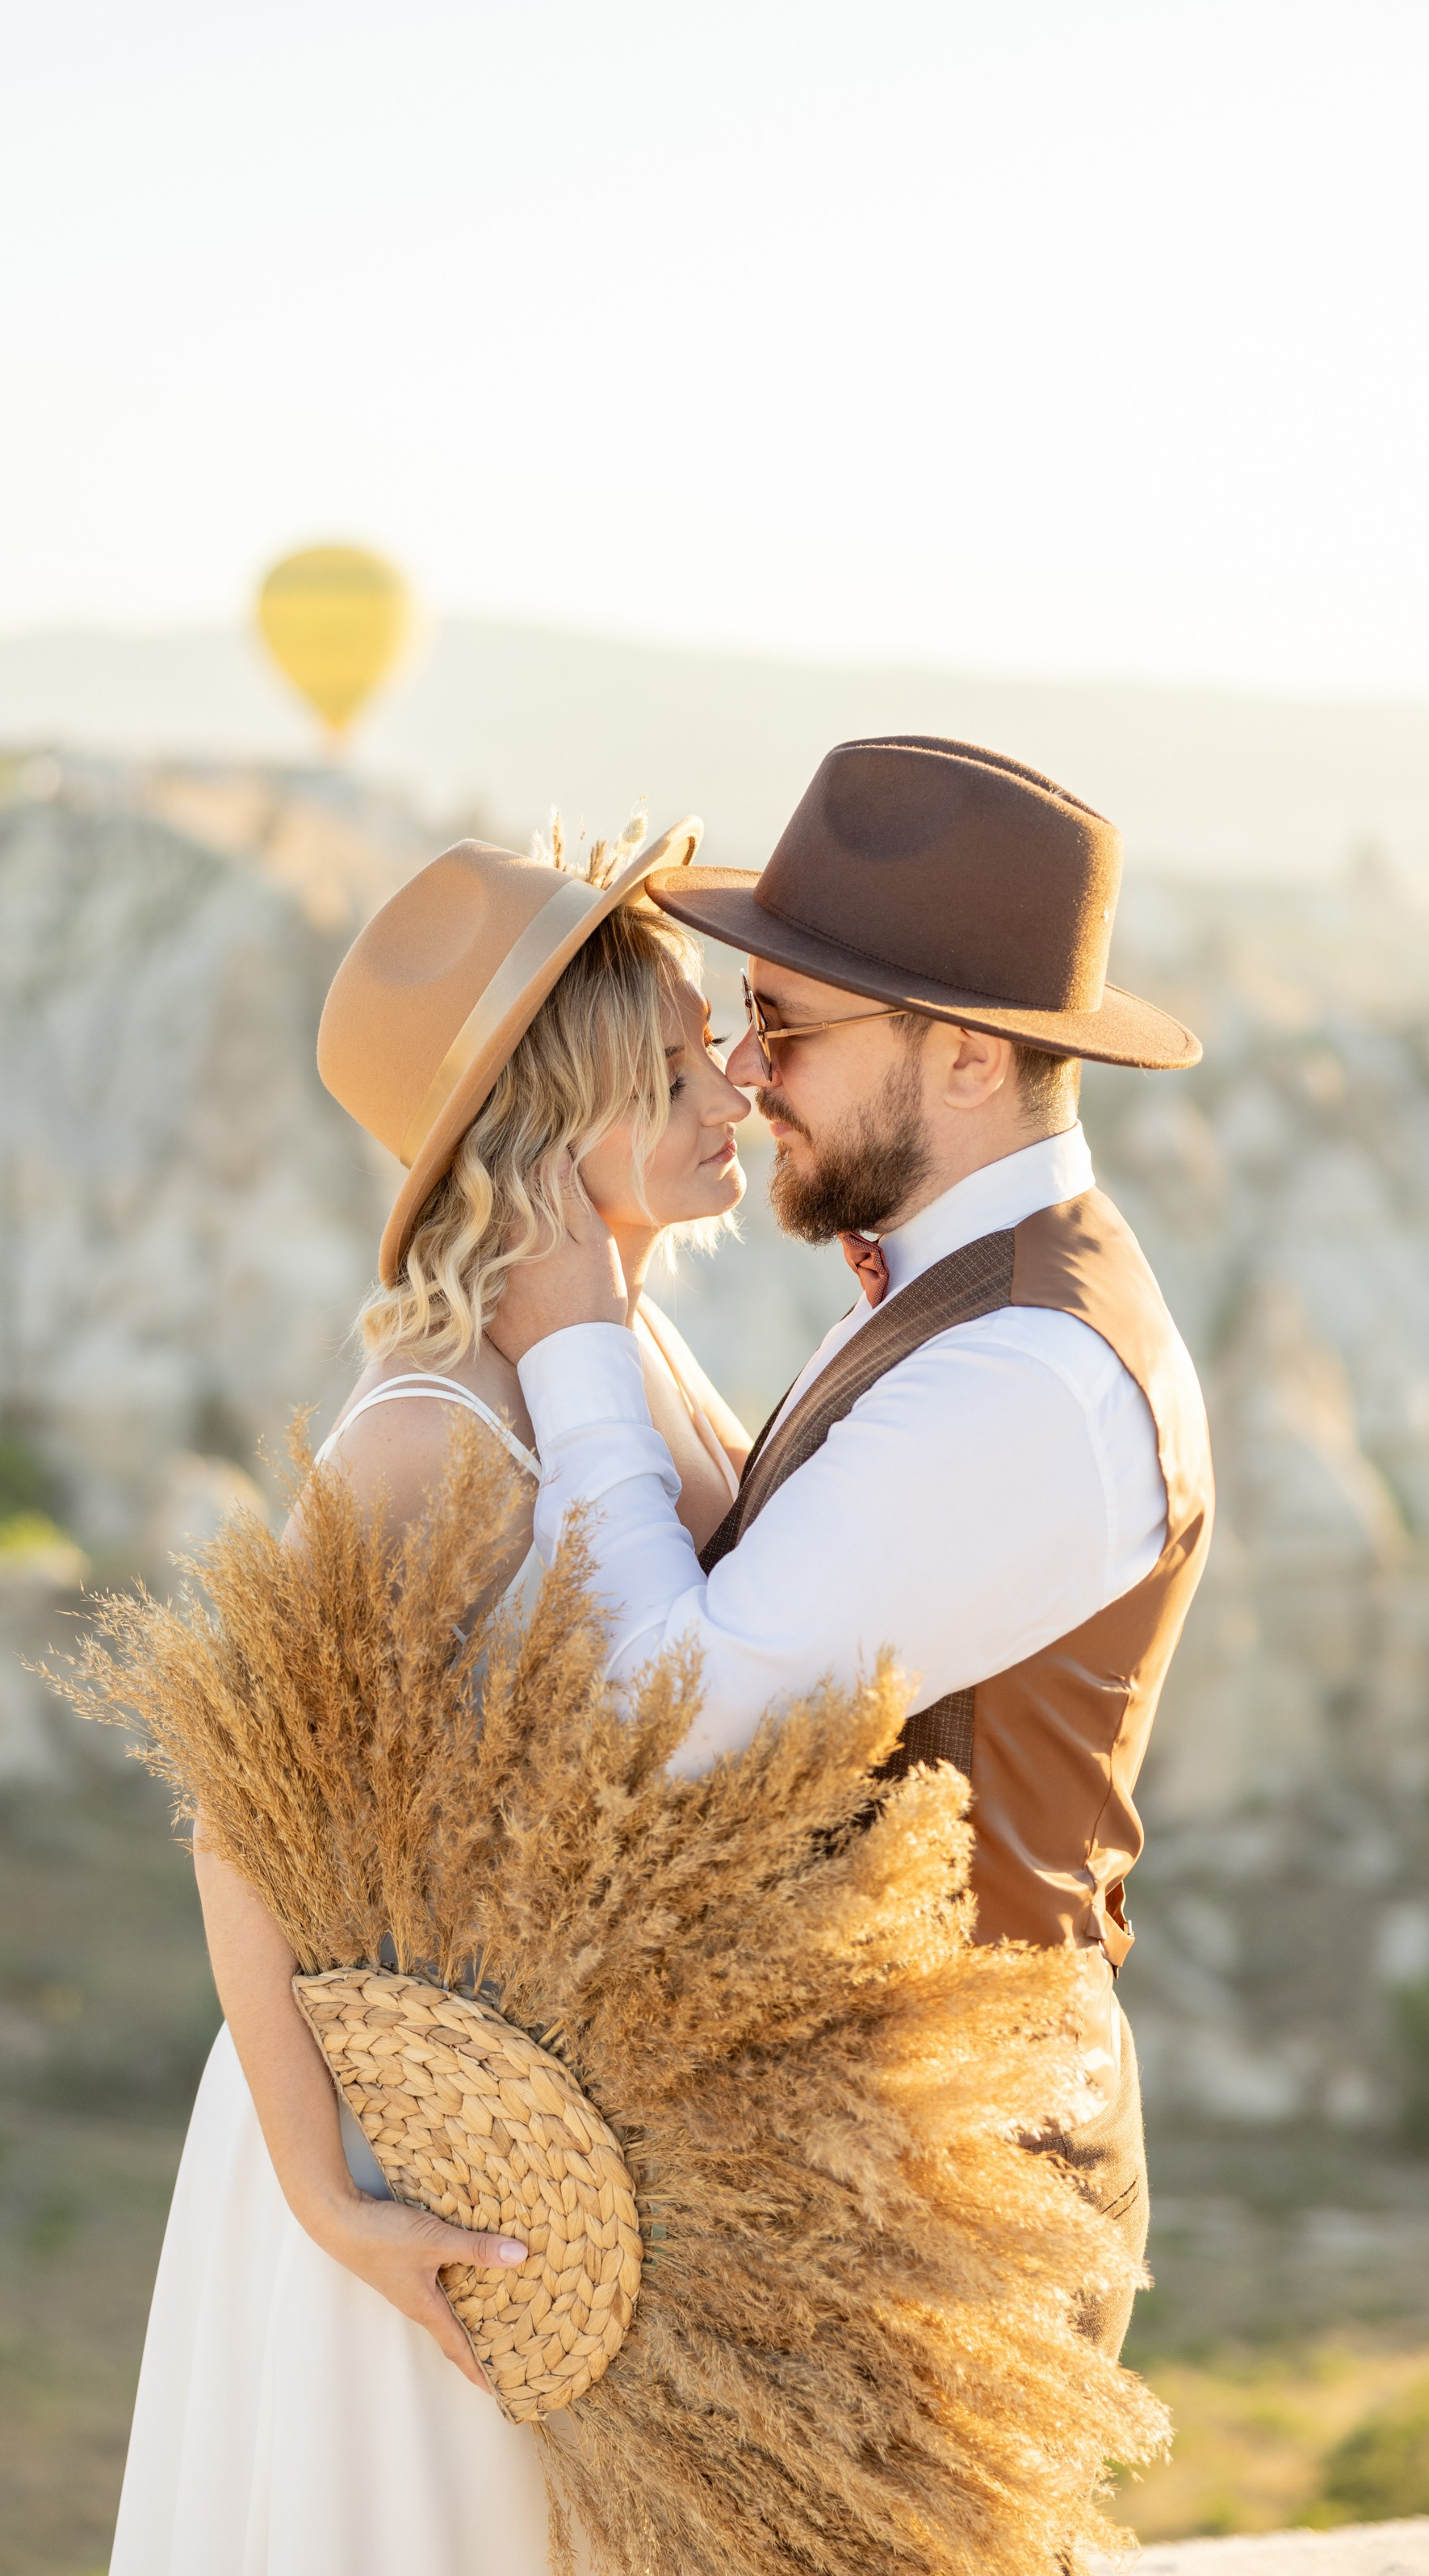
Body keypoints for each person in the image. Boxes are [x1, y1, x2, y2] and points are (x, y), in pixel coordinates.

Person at [490, 735, 1215, 2351]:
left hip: (946, 2208)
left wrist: (575, 1336)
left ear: (966, 1057)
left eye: (787, 1026)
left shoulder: (1022, 1374)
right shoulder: (970, 1298)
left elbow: (663, 1726)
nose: (746, 1073)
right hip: (865, 2171)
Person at [109, 815, 750, 2576]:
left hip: (558, 2139)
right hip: (417, 2152)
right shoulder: (431, 1428)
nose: (736, 1092)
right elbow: (239, 1821)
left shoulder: (633, 1355)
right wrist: (329, 2200)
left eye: (718, 1052)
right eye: (677, 1070)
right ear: (555, 1118)